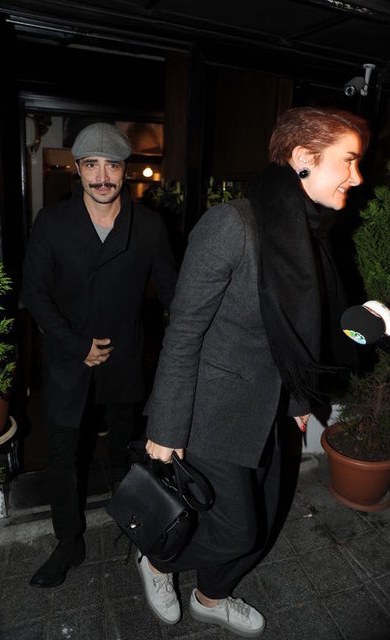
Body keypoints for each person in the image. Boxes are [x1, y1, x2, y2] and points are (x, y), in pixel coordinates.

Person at [137, 107, 370, 636]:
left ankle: (211, 597)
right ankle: (156, 557)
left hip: (272, 415)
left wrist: (299, 401)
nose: (357, 177)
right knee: (237, 531)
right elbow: (183, 333)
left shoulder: (311, 235)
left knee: (259, 527)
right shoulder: (231, 225)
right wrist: (166, 429)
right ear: (303, 158)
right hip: (210, 414)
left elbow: (299, 334)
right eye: (349, 161)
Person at [21, 122, 177, 588]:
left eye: (112, 166)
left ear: (125, 170)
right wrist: (76, 345)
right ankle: (69, 542)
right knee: (62, 455)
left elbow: (176, 297)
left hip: (125, 359)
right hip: (68, 360)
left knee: (125, 452)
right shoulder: (52, 222)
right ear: (78, 168)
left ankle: (136, 526)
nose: (102, 177)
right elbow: (34, 293)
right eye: (92, 165)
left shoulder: (148, 226)